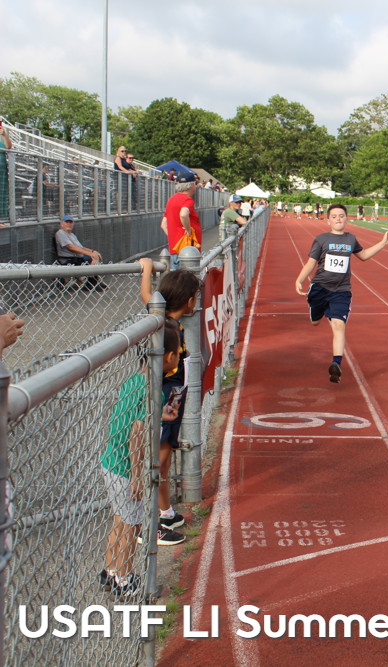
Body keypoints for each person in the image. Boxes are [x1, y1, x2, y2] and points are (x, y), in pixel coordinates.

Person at [100, 321, 184, 595]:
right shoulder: (152, 390)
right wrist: (137, 476)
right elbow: (136, 433)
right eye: (178, 353)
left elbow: (136, 418)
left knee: (121, 520)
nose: (179, 358)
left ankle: (111, 571)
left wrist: (159, 415)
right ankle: (123, 579)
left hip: (112, 461)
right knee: (131, 524)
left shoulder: (136, 380)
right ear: (168, 356)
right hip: (126, 468)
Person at [293, 204, 388, 383]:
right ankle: (319, 312)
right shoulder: (321, 239)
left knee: (339, 325)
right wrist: (299, 279)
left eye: (341, 215)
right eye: (334, 216)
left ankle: (336, 364)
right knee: (315, 321)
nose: (338, 218)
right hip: (320, 288)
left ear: (346, 218)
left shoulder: (351, 239)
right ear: (328, 220)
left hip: (341, 290)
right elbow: (311, 262)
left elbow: (363, 255)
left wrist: (383, 243)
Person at [137, 259, 199, 541]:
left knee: (165, 457)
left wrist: (148, 272)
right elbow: (147, 297)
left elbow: (148, 297)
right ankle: (152, 525)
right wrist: (147, 269)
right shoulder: (164, 325)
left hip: (173, 397)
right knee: (160, 461)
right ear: (189, 301)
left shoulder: (167, 320)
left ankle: (165, 512)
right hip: (166, 398)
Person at [54, 216, 107, 291]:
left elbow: (81, 247)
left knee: (95, 256)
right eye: (66, 222)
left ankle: (93, 282)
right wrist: (90, 254)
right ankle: (91, 284)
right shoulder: (60, 233)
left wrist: (93, 251)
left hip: (77, 258)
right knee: (91, 258)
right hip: (68, 259)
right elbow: (70, 247)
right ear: (61, 223)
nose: (69, 224)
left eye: (70, 222)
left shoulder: (72, 235)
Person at [160, 174, 201, 270]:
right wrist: (188, 229)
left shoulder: (171, 200)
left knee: (176, 272)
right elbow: (183, 214)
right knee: (187, 274)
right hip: (187, 248)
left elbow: (163, 224)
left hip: (175, 245)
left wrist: (173, 236)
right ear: (191, 185)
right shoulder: (187, 200)